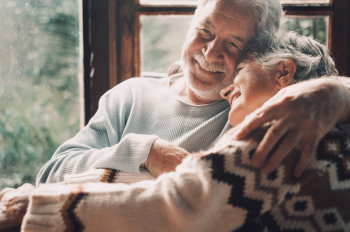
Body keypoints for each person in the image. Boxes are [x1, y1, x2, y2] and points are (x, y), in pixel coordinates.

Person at [2, 32, 349, 232]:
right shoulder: (336, 128)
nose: (227, 90)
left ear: (284, 72)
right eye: (204, 32)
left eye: (239, 66)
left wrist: (32, 205)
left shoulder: (274, 139)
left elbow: (175, 205)